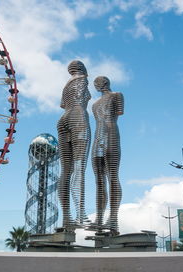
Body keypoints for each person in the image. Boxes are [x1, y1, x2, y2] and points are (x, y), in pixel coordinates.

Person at [57, 60, 91, 229]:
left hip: (63, 119)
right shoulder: (83, 79)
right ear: (82, 68)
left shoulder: (65, 86)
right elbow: (81, 97)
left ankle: (66, 217)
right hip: (78, 116)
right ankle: (80, 215)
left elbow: (63, 105)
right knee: (79, 168)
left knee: (65, 171)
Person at [91, 76, 124, 235]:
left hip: (111, 134)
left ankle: (113, 219)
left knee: (112, 176)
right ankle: (99, 218)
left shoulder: (117, 95)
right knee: (98, 180)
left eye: (97, 83)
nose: (96, 86)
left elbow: (119, 113)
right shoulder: (94, 104)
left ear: (104, 83)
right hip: (98, 138)